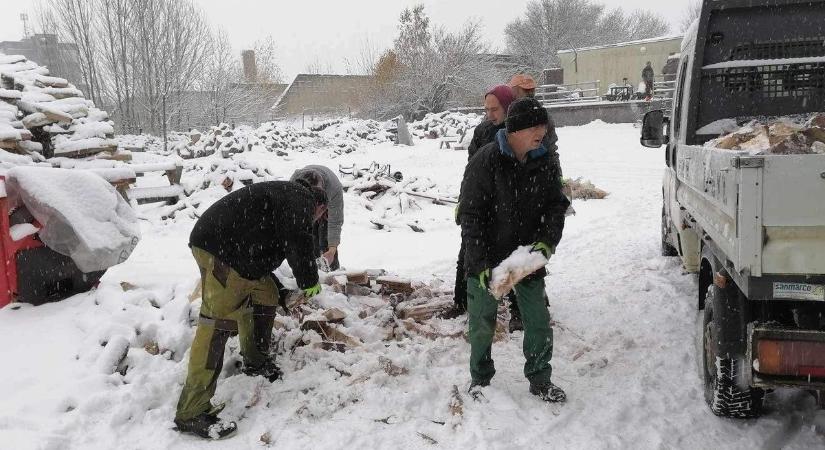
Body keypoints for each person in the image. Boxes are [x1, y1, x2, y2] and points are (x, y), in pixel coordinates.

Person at [174, 180, 326, 439]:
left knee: (265, 292)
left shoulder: (284, 196)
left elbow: (260, 256)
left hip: (231, 249)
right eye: (321, 216)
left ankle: (256, 360)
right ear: (319, 206)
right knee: (216, 323)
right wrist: (309, 281)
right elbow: (298, 240)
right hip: (219, 250)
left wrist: (282, 292)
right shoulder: (302, 201)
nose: (317, 220)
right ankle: (192, 411)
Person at [459, 97, 570, 403]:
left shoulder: (544, 160)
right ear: (517, 130)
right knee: (482, 322)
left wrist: (547, 241)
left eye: (543, 126)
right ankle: (480, 378)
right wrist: (479, 261)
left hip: (526, 256)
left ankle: (539, 378)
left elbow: (555, 205)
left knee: (536, 320)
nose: (542, 132)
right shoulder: (485, 160)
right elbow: (470, 214)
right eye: (537, 126)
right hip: (487, 256)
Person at [444, 85, 515, 321]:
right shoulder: (482, 130)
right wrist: (464, 201)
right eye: (486, 109)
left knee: (512, 256)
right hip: (479, 203)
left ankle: (519, 310)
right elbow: (471, 170)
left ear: (507, 107)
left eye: (495, 109)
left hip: (507, 206)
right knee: (467, 253)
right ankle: (461, 302)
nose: (489, 114)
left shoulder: (518, 131)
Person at [290, 165, 344, 271]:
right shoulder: (294, 183)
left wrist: (332, 249)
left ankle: (333, 272)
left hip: (327, 208)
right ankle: (312, 270)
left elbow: (335, 222)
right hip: (304, 205)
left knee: (325, 241)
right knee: (310, 240)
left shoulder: (334, 189)